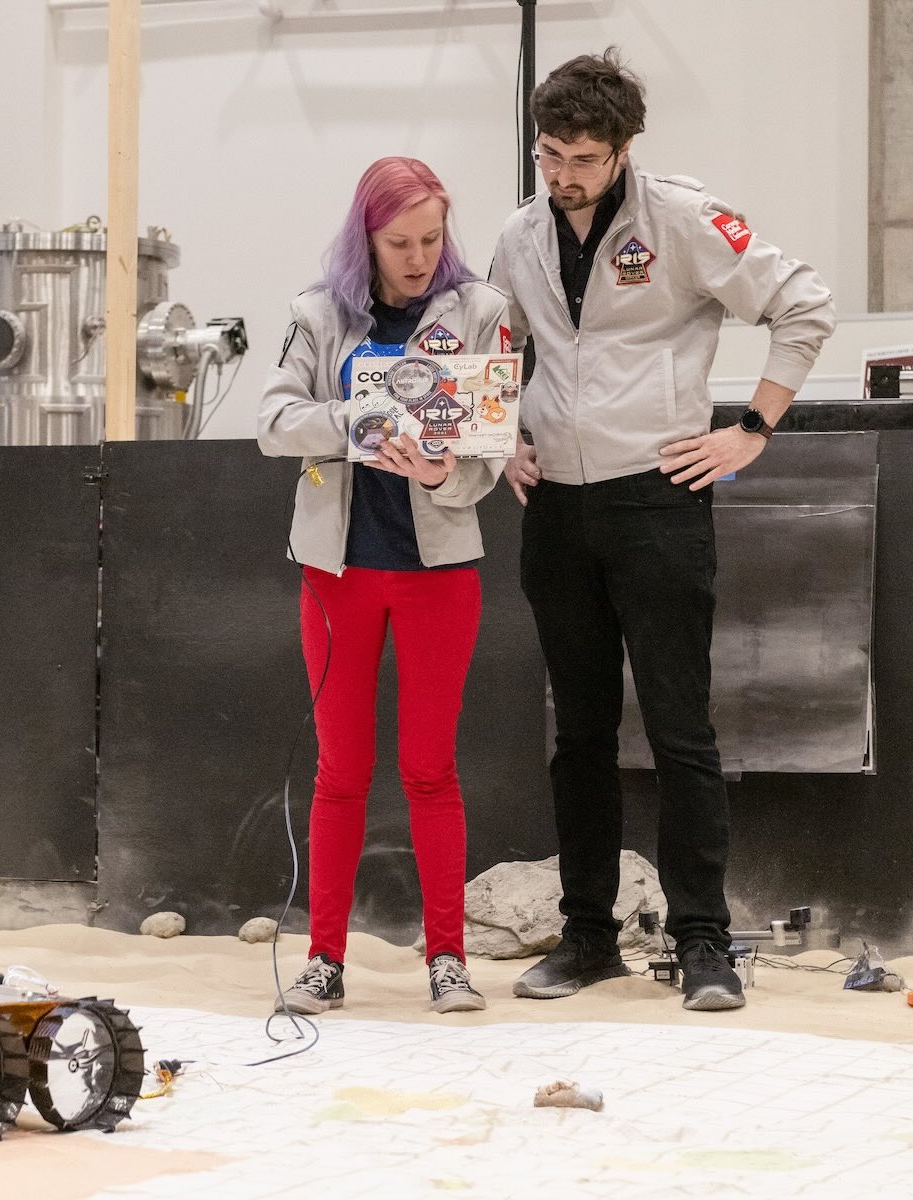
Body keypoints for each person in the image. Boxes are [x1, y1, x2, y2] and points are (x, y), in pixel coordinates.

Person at [487, 50, 835, 1011]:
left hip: (658, 500)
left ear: (626, 150)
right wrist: (500, 439)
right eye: (549, 153)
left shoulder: (683, 219)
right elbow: (491, 352)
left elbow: (805, 306)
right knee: (580, 738)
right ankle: (588, 936)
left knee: (681, 732)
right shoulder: (516, 237)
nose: (562, 175)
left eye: (584, 159)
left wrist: (750, 431)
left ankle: (703, 941)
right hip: (556, 507)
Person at [256, 156, 511, 1015]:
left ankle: (448, 960)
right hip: (339, 573)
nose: (416, 256)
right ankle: (324, 960)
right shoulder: (317, 314)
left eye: (431, 238)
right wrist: (356, 420)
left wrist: (444, 472)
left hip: (439, 573)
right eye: (399, 241)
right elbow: (273, 422)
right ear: (365, 238)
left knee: (430, 770)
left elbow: (492, 448)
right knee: (342, 770)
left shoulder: (480, 311)